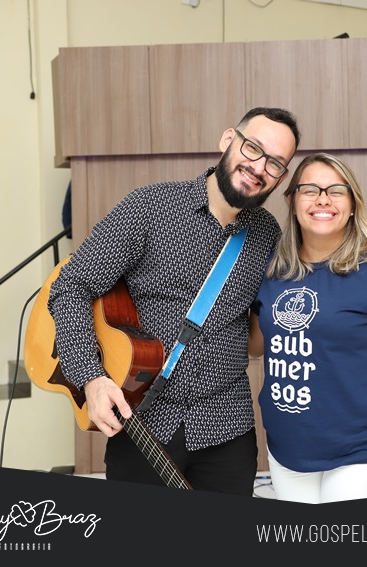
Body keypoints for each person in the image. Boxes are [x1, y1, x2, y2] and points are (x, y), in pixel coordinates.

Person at [47, 107, 301, 495]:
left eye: (275, 163)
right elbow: (71, 287)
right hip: (143, 422)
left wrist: (358, 267)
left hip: (227, 429)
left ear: (280, 177)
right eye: (253, 148)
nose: (259, 167)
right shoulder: (149, 208)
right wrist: (91, 379)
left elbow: (277, 314)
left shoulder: (267, 234)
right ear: (228, 140)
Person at [248, 153, 367, 503]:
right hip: (287, 448)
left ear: (353, 204)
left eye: (336, 191)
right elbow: (256, 345)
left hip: (359, 450)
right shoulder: (271, 271)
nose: (323, 200)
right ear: (292, 201)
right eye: (310, 190)